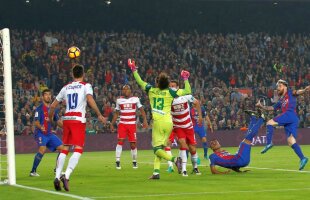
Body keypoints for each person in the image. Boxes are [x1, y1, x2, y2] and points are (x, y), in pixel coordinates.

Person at [127, 58, 191, 179]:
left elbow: (140, 81)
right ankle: (156, 172)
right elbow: (188, 90)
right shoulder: (171, 92)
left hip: (158, 123)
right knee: (161, 148)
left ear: (157, 83)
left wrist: (134, 70)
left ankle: (175, 160)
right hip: (169, 123)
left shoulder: (151, 90)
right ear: (167, 84)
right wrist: (186, 79)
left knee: (156, 149)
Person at [49, 65, 106, 191]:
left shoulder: (66, 87)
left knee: (65, 148)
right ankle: (66, 175)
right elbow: (90, 100)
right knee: (78, 149)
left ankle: (57, 176)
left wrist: (51, 118)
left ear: (72, 74)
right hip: (78, 120)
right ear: (83, 74)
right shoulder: (86, 85)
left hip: (67, 120)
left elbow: (53, 106)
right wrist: (99, 114)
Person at [256, 79, 309, 170]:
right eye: (277, 87)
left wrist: (304, 90)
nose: (278, 88)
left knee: (269, 123)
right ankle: (303, 158)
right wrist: (261, 106)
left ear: (285, 86)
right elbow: (271, 108)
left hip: (289, 114)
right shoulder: (281, 100)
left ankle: (269, 143)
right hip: (293, 119)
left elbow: (298, 92)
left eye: (280, 86)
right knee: (290, 141)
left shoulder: (290, 92)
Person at [110, 84, 148, 169]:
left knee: (133, 144)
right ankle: (117, 161)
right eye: (124, 89)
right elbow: (116, 113)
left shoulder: (135, 99)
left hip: (131, 125)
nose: (125, 91)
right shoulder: (119, 100)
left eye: (127, 89)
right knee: (120, 141)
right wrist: (112, 123)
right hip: (122, 124)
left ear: (130, 90)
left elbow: (142, 110)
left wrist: (145, 120)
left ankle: (134, 161)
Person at [170, 80, 202, 176]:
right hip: (178, 127)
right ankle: (184, 170)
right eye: (170, 86)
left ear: (178, 87)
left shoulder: (186, 97)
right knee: (183, 146)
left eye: (173, 86)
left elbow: (197, 102)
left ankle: (195, 168)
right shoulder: (168, 99)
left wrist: (200, 116)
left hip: (188, 126)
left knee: (192, 149)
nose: (172, 88)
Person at [30, 89, 63, 177]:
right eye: (46, 95)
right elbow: (36, 122)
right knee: (42, 149)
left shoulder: (53, 109)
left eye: (49, 94)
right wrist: (41, 126)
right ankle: (33, 171)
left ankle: (57, 170)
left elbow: (58, 121)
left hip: (49, 134)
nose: (48, 96)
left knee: (62, 149)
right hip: (40, 133)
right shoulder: (39, 109)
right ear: (42, 97)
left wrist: (67, 128)